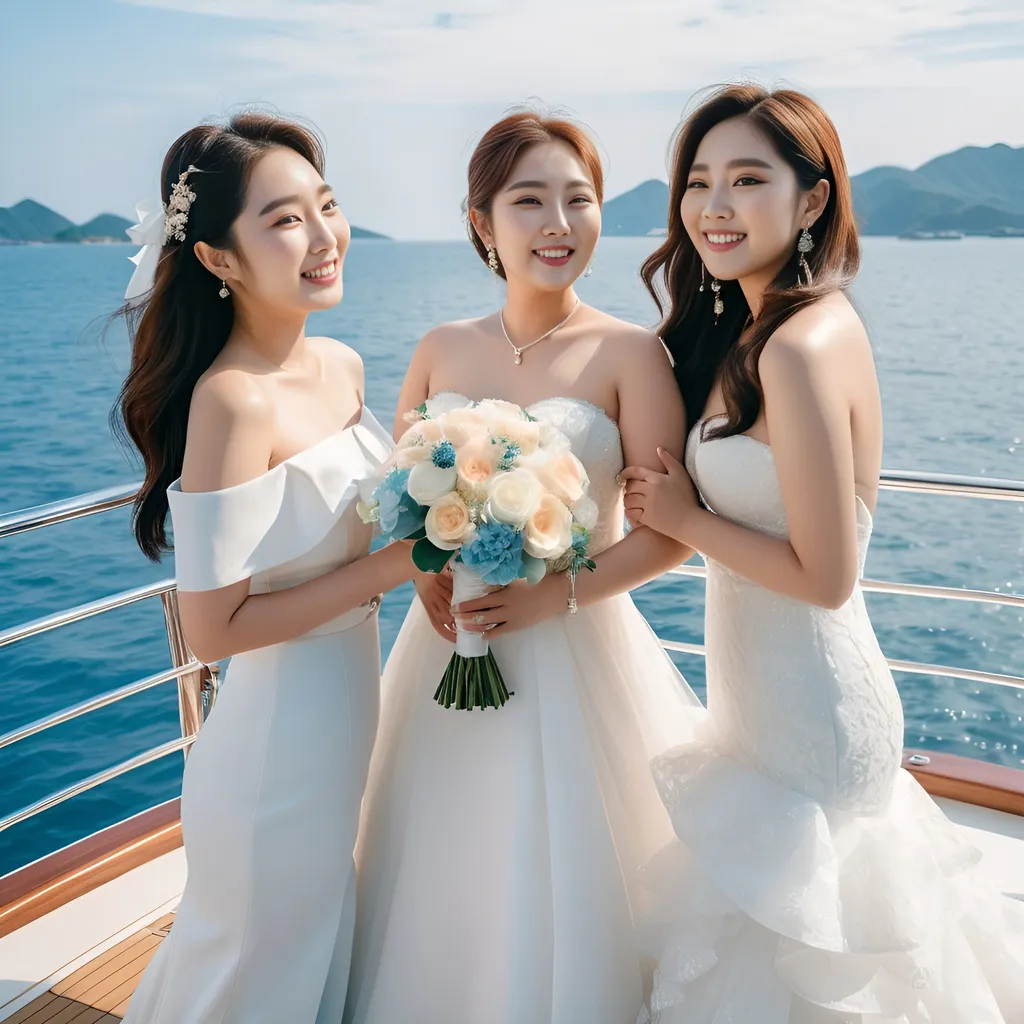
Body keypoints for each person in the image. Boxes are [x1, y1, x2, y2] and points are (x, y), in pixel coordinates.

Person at [623, 83, 1024, 1022]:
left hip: (813, 716)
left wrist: (684, 520)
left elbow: (827, 576)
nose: (715, 206)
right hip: (765, 709)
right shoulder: (753, 330)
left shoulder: (798, 347)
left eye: (748, 179)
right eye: (699, 182)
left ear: (812, 201)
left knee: (812, 969)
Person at [343, 111, 705, 1024]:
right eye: (529, 200)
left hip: (575, 649)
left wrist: (562, 597)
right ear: (481, 220)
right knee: (441, 857)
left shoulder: (631, 353)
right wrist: (426, 571)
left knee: (567, 865)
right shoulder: (440, 346)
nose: (558, 222)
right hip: (443, 646)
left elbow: (671, 534)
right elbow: (401, 504)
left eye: (579, 200)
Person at [114, 112, 413, 1024]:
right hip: (275, 745)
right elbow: (212, 629)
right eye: (284, 221)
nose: (323, 238)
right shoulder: (231, 404)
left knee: (309, 948)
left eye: (326, 206)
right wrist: (402, 564)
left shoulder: (344, 364)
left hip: (347, 717)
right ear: (218, 260)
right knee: (253, 966)